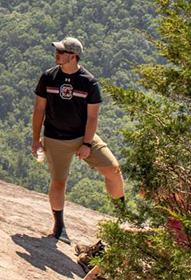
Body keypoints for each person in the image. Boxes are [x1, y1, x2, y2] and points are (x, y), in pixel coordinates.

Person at [31, 37, 125, 243]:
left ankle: (123, 217)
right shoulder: (48, 77)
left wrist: (87, 144)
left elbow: (93, 117)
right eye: (57, 51)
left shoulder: (88, 82)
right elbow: (39, 110)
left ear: (73, 56)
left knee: (113, 168)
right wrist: (36, 140)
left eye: (61, 52)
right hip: (55, 137)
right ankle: (59, 227)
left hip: (82, 135)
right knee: (58, 182)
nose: (56, 54)